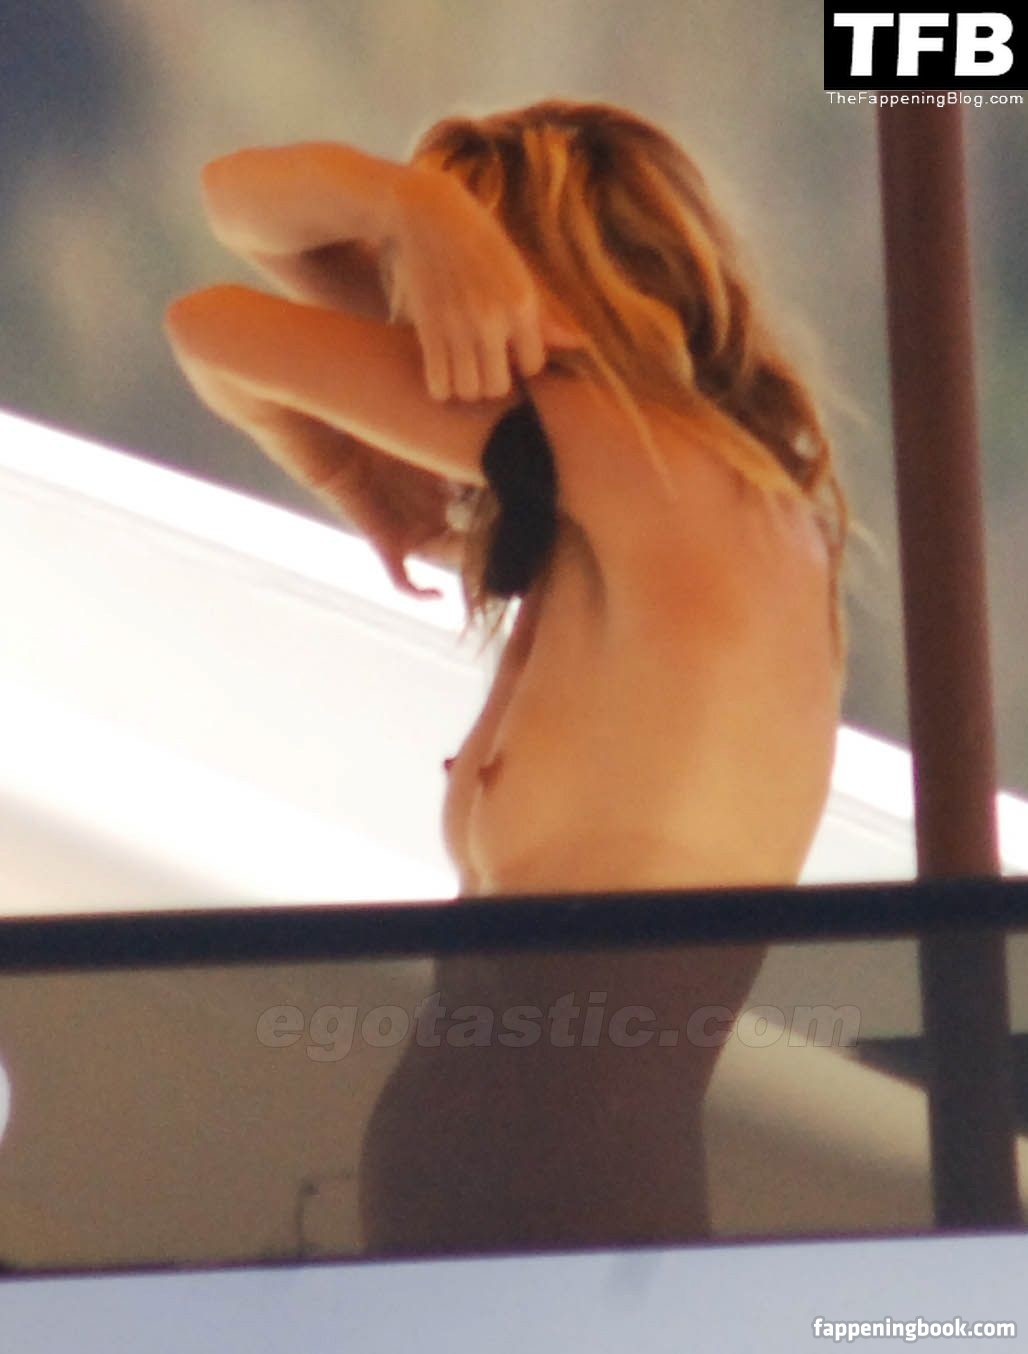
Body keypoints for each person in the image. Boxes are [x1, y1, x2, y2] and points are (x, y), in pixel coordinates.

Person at [166, 98, 848, 1254]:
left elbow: (210, 326)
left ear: (529, 284)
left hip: (554, 1265)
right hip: (529, 1258)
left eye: (436, 293)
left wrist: (349, 456)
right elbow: (233, 206)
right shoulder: (668, 505)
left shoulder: (641, 457)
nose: (412, 328)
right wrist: (409, 213)